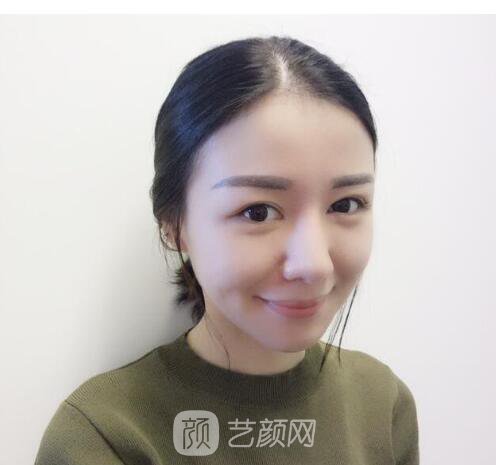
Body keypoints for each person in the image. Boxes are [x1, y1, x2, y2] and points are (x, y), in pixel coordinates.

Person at [34, 35, 419, 464]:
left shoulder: (382, 405)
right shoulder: (105, 436)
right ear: (174, 224)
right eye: (258, 212)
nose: (314, 265)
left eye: (345, 205)